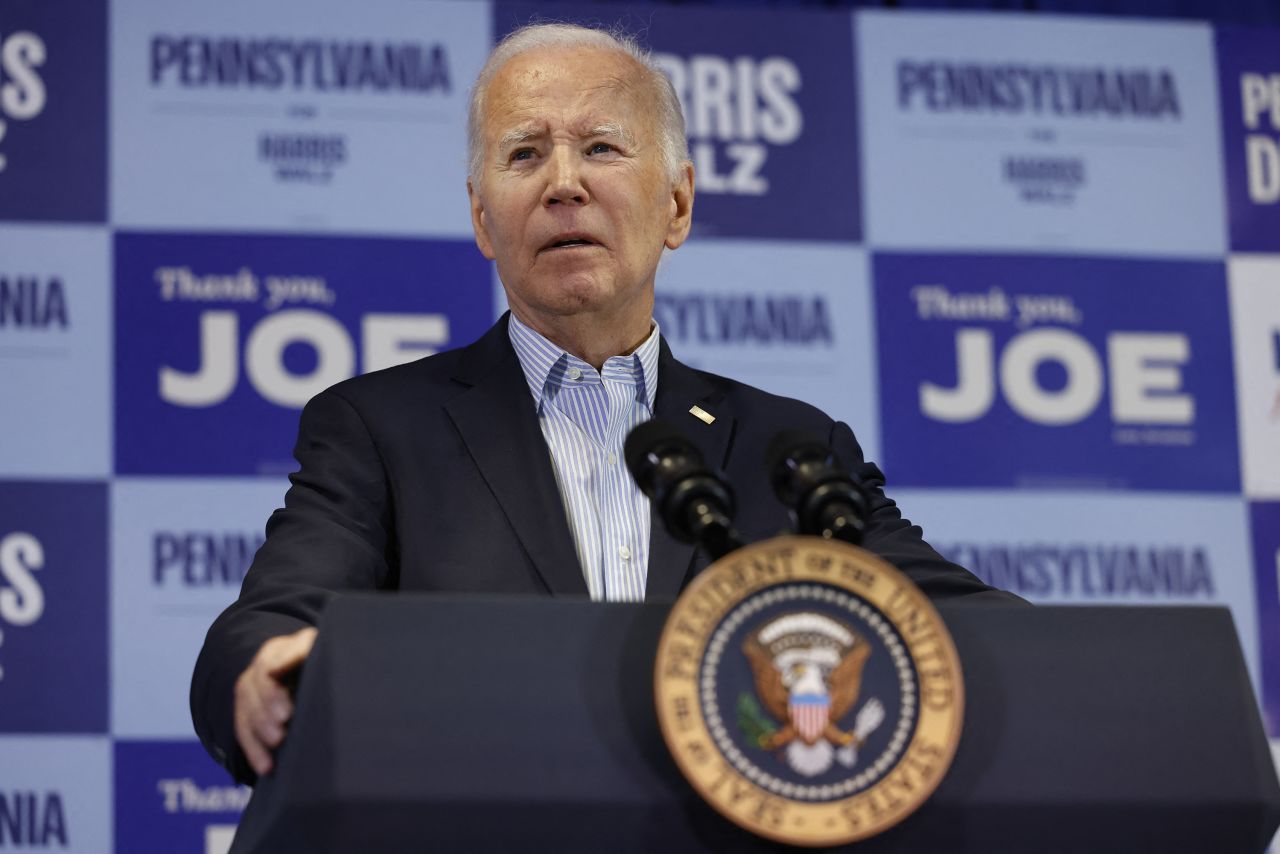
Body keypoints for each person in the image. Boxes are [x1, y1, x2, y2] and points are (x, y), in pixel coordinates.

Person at [191, 22, 1020, 787]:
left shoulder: (792, 449)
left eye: (601, 147)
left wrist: (1094, 668)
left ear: (678, 205)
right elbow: (272, 617)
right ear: (483, 218)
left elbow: (963, 624)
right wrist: (264, 670)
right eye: (523, 155)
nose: (563, 184)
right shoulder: (382, 428)